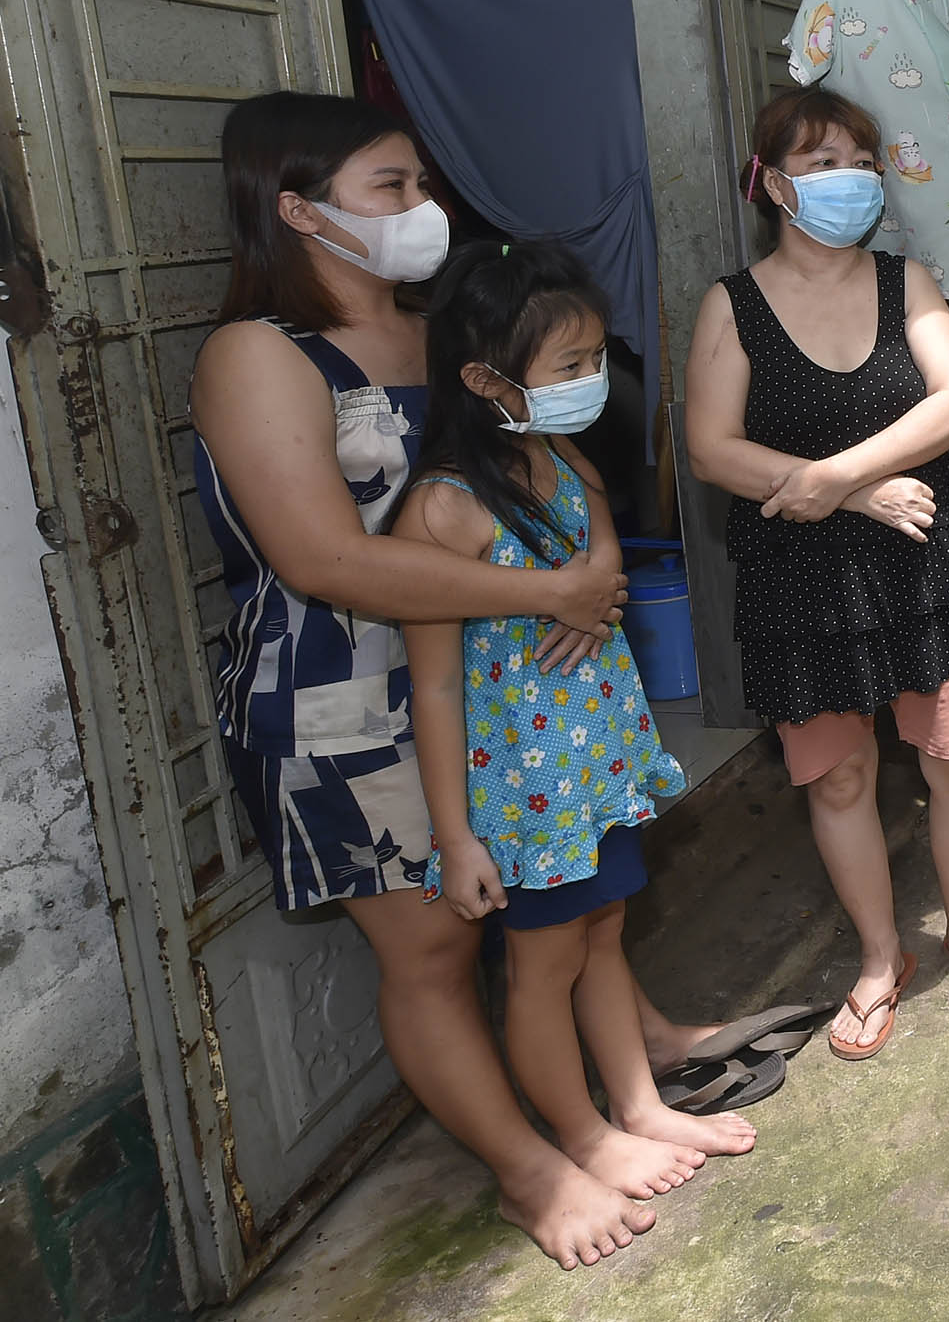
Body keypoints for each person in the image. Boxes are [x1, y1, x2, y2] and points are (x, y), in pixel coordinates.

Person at [193, 93, 720, 1269]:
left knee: (564, 898)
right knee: (434, 947)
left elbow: (542, 460)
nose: (421, 206)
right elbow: (322, 558)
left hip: (508, 691)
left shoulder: (442, 330)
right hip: (346, 700)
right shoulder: (259, 355)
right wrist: (556, 592)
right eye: (390, 187)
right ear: (298, 209)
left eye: (421, 183)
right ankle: (533, 1170)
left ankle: (633, 1062)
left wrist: (587, 571)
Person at [685, 86, 949, 1063]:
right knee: (839, 773)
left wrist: (839, 475)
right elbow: (713, 448)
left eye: (860, 162)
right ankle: (880, 955)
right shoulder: (733, 304)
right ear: (773, 184)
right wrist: (854, 495)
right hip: (799, 575)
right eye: (822, 163)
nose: (849, 179)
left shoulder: (908, 283)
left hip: (922, 556)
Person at [398, 242, 757, 1211]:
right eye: (570, 364)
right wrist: (457, 838)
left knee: (603, 936)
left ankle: (638, 1106)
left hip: (593, 769)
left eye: (598, 356)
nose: (593, 378)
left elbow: (603, 557)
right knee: (544, 966)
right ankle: (583, 1134)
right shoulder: (443, 508)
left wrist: (593, 588)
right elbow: (434, 686)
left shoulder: (559, 457)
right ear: (486, 380)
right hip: (528, 797)